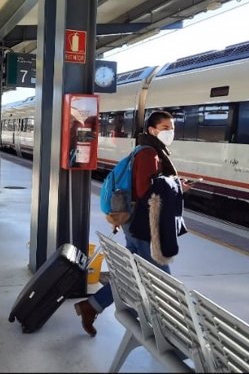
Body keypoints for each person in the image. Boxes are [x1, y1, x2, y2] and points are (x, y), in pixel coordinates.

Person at [73, 110, 192, 337]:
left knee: (132, 273)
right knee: (161, 279)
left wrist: (172, 184)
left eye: (172, 128)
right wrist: (177, 187)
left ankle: (92, 306)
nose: (170, 132)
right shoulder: (150, 154)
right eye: (165, 128)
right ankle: (171, 332)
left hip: (135, 222)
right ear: (152, 130)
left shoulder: (146, 150)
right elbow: (144, 191)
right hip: (144, 224)